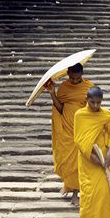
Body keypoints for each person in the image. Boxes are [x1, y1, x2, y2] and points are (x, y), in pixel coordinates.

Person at [45, 63, 94, 206]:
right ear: (68, 74)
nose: (74, 81)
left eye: (77, 79)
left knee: (79, 162)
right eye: (72, 78)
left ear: (82, 75)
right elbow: (59, 108)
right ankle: (68, 185)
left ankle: (75, 194)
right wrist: (52, 93)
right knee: (67, 161)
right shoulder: (64, 88)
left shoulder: (88, 87)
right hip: (66, 129)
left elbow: (93, 109)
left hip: (81, 129)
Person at [74, 86, 110, 218]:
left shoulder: (106, 115)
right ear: (87, 100)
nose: (95, 106)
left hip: (103, 158)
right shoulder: (80, 115)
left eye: (98, 103)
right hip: (87, 160)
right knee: (88, 195)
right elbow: (78, 140)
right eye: (92, 102)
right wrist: (93, 158)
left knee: (104, 194)